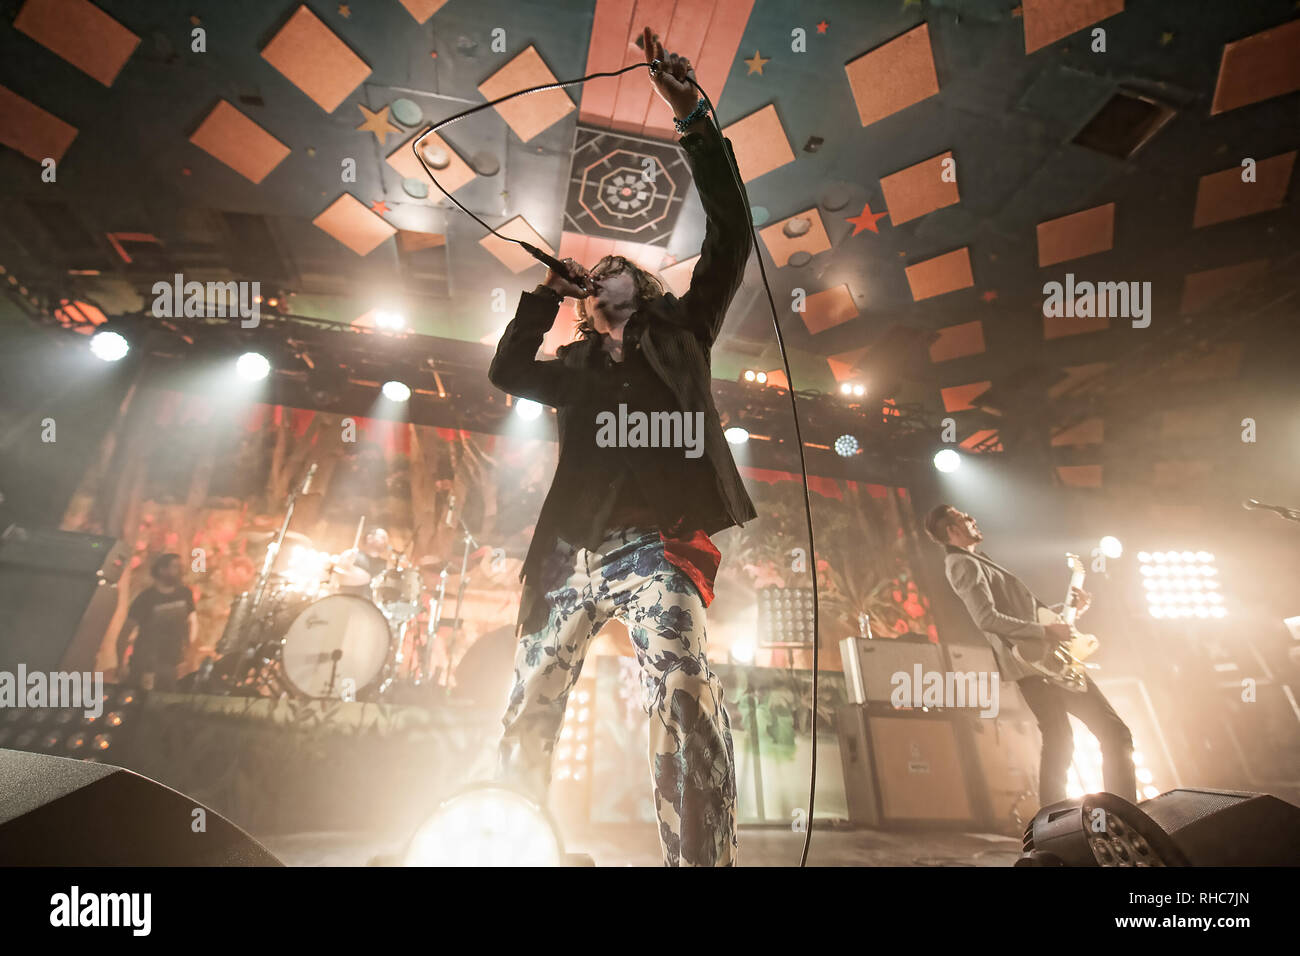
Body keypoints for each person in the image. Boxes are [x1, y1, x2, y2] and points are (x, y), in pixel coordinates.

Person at [486, 28, 755, 866]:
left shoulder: (683, 337)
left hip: (656, 548)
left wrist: (695, 122)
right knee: (528, 703)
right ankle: (509, 845)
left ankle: (698, 861)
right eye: (594, 273)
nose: (607, 272)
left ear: (645, 288)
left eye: (622, 268)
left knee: (681, 690)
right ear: (585, 299)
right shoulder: (572, 368)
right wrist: (541, 295)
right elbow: (504, 371)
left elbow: (731, 235)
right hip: (569, 554)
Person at [925, 504, 1136, 806]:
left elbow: (1025, 616)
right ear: (952, 530)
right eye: (964, 517)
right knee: (1111, 733)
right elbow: (987, 618)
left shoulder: (977, 561)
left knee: (1061, 741)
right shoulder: (962, 564)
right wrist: (1049, 633)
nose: (973, 519)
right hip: (1037, 666)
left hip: (1042, 663)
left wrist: (1069, 612)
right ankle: (1122, 813)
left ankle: (1053, 822)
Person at [115, 553, 198, 691]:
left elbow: (192, 621)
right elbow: (125, 632)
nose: (180, 571)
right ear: (162, 570)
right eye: (175, 567)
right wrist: (120, 665)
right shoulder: (145, 598)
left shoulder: (185, 593)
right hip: (145, 664)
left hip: (172, 663)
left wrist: (190, 652)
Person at [335, 527, 391, 598]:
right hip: (346, 602)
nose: (385, 542)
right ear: (369, 538)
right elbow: (337, 577)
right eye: (382, 538)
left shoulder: (386, 565)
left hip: (370, 607)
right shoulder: (351, 555)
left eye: (387, 540)